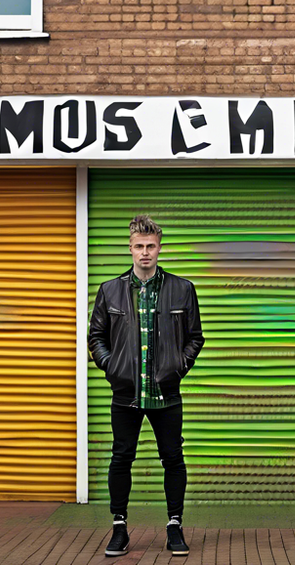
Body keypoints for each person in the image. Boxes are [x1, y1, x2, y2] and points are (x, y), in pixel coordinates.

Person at [88, 214, 205, 557]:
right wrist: (113, 368)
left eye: (150, 246)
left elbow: (195, 338)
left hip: (165, 394)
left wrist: (177, 368)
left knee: (173, 458)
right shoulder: (110, 290)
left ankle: (174, 526)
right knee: (121, 458)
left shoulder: (182, 289)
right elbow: (96, 337)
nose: (145, 253)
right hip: (126, 394)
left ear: (159, 248)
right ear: (130, 248)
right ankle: (119, 528)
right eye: (138, 246)